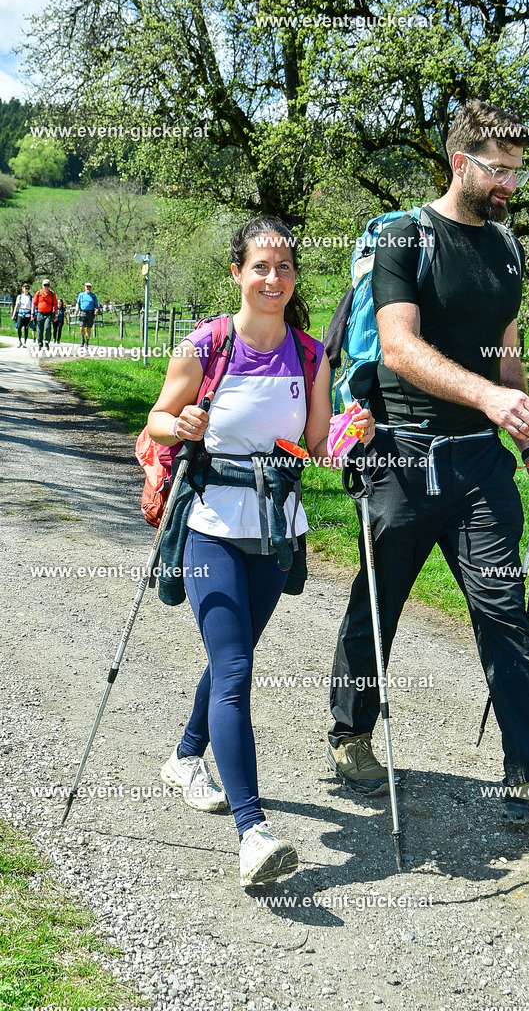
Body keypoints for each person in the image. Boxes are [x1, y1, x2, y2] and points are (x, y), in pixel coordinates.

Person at [326, 99, 529, 825]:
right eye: (498, 168)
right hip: (402, 458)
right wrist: (485, 397)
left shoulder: (506, 249)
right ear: (460, 162)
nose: (510, 182)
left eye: (517, 169)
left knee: (504, 613)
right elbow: (398, 348)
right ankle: (351, 731)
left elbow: (507, 361)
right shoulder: (402, 238)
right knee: (379, 604)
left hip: (482, 468)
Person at [147, 217, 374, 886]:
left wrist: (347, 433)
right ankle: (253, 832)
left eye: (283, 268)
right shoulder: (205, 345)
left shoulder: (309, 355)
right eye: (259, 267)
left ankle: (186, 756)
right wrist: (179, 421)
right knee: (237, 666)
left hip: (277, 531)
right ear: (237, 273)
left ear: (293, 276)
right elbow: (157, 418)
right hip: (210, 527)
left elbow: (312, 445)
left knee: (232, 655)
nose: (272, 279)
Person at [32, 278, 57, 351]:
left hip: (48, 314)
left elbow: (55, 305)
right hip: (40, 313)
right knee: (40, 329)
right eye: (45, 285)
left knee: (47, 327)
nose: (46, 287)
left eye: (47, 285)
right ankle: (40, 343)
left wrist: (56, 314)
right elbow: (34, 303)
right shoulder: (39, 293)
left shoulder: (52, 294)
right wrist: (32, 313)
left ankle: (46, 342)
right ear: (42, 286)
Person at [75, 282, 99, 348]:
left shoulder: (93, 296)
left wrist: (96, 310)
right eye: (87, 287)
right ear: (85, 287)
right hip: (82, 312)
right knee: (81, 327)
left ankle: (87, 342)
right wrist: (76, 310)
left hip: (90, 313)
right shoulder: (81, 294)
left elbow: (96, 305)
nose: (88, 288)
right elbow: (78, 303)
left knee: (89, 328)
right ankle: (82, 338)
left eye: (89, 287)